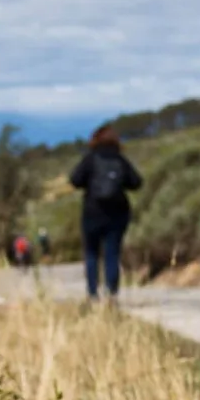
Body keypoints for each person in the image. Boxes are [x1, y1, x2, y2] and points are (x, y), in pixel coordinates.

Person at [69, 124, 144, 302]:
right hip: (117, 213)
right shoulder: (120, 160)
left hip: (92, 212)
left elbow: (75, 180)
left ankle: (92, 293)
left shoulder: (90, 159)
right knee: (112, 253)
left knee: (91, 253)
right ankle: (112, 293)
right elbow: (136, 182)